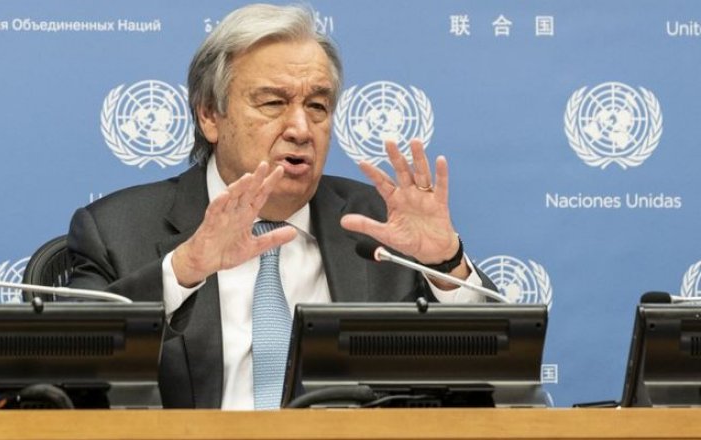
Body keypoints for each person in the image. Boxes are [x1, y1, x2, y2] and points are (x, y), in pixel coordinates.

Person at [67, 3, 497, 410]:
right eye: (273, 103)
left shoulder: (378, 226)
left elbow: (494, 377)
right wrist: (182, 271)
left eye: (317, 106)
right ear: (210, 116)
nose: (301, 128)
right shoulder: (117, 230)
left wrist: (446, 265)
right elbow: (71, 371)